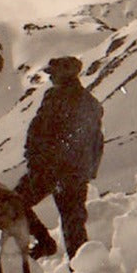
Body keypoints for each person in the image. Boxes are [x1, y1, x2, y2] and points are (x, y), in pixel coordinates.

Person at [17, 55, 104, 260]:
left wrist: (37, 162)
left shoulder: (55, 98)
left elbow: (40, 133)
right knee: (73, 225)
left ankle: (44, 241)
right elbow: (95, 143)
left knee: (14, 204)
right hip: (73, 174)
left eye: (53, 73)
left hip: (50, 170)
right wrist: (86, 172)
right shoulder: (90, 103)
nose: (50, 77)